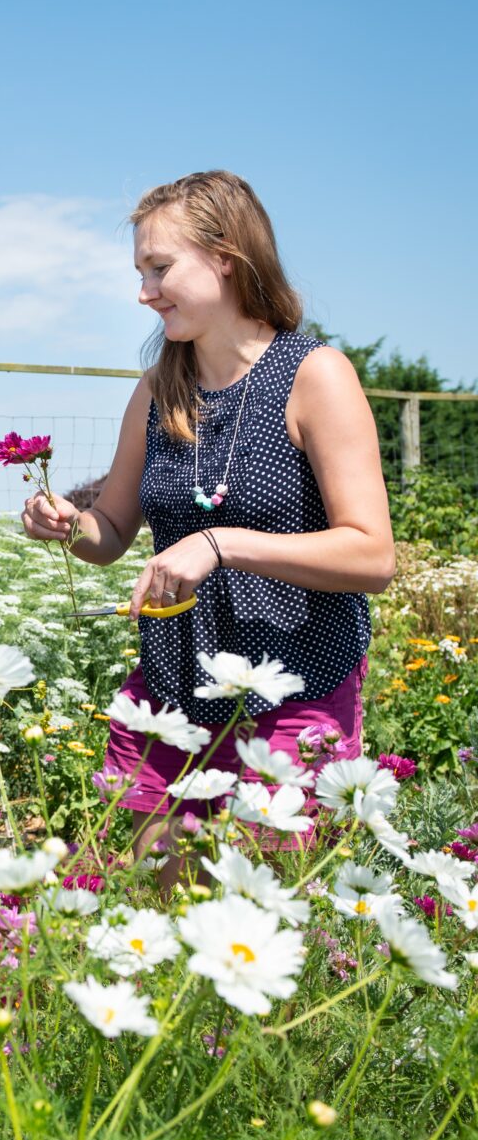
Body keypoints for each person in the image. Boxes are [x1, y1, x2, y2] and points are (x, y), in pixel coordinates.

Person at [21, 171, 395, 886]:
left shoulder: (314, 375)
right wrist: (67, 525)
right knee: (167, 913)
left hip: (296, 684)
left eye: (160, 268)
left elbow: (373, 554)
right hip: (172, 688)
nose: (143, 291)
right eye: (140, 272)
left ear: (226, 256)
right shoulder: (159, 388)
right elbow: (110, 534)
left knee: (269, 918)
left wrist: (219, 545)